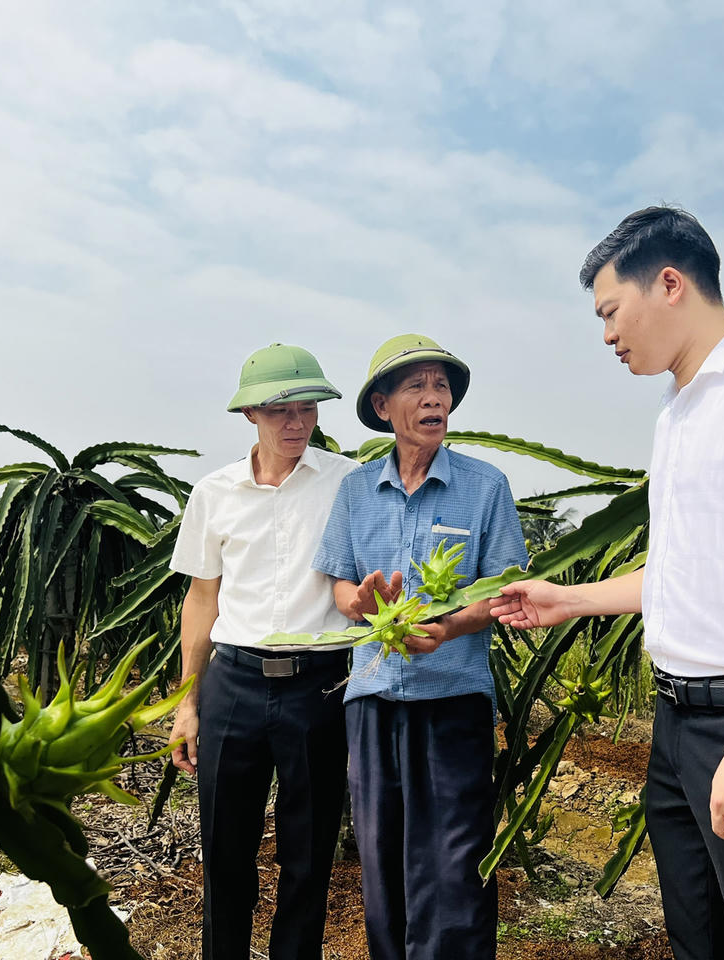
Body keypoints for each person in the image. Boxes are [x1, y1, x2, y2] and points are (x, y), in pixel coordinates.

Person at [491, 207, 724, 960]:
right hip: (680, 723)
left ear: (668, 283)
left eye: (611, 312)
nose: (607, 337)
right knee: (699, 940)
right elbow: (688, 570)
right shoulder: (678, 411)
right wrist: (572, 600)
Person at [312, 334, 529, 960]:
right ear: (383, 407)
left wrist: (450, 627)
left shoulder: (486, 486)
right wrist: (361, 604)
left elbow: (503, 593)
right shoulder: (355, 491)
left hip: (454, 696)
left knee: (455, 858)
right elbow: (340, 582)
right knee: (382, 858)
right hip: (373, 697)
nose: (434, 399)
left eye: (442, 387)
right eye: (417, 387)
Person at [168, 343, 359, 960]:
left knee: (308, 857)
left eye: (306, 408)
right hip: (234, 687)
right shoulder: (215, 493)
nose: (296, 423)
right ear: (250, 413)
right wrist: (186, 704)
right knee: (224, 851)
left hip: (319, 686)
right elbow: (201, 602)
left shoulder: (348, 484)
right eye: (280, 410)